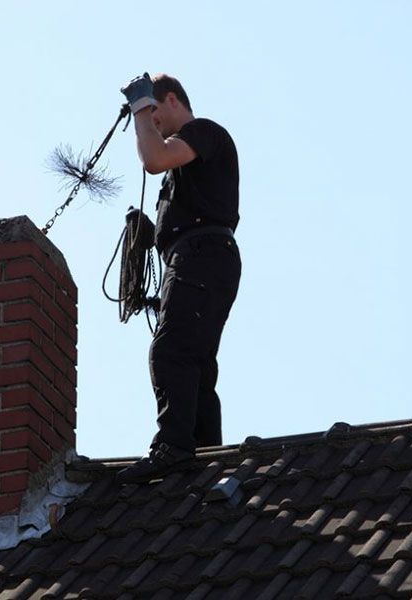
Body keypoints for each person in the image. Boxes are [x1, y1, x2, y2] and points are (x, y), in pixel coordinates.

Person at [116, 73, 242, 484]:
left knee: (169, 351)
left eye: (155, 116)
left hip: (202, 258)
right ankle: (205, 455)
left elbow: (153, 160)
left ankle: (173, 447)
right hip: (197, 259)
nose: (151, 128)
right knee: (195, 362)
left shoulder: (204, 132)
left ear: (170, 100)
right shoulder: (184, 169)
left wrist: (139, 108)